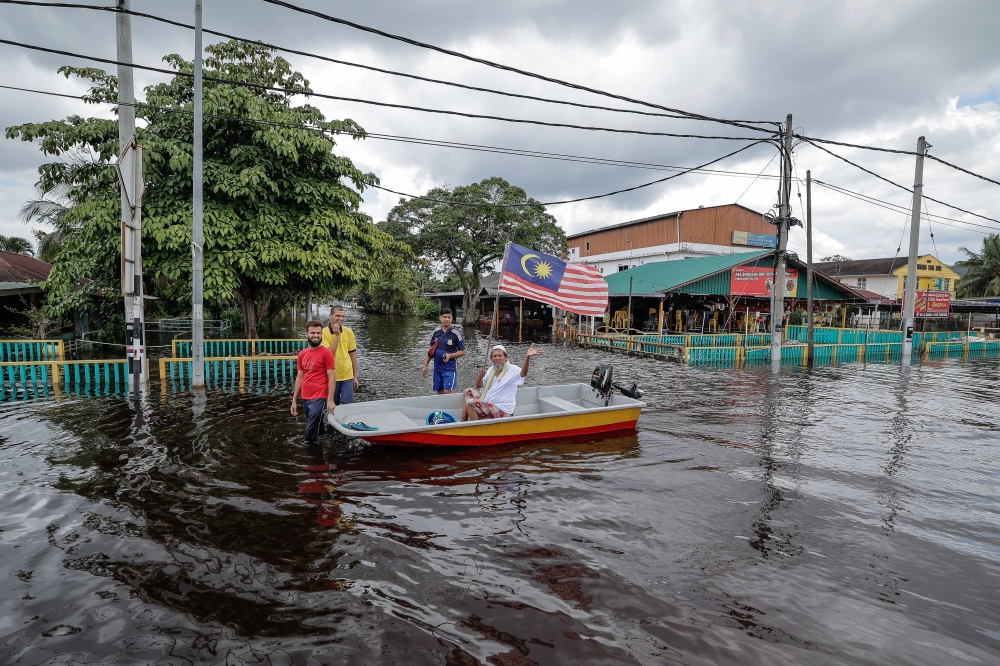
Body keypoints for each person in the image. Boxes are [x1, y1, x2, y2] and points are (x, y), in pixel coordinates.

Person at [462, 343, 542, 421]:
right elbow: (479, 386)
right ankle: (464, 422)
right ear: (491, 359)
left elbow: (523, 373)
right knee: (468, 391)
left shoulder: (512, 369)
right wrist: (480, 377)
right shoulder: (491, 369)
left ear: (506, 357)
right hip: (488, 401)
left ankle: (475, 428)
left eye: (500, 356)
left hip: (502, 410)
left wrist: (527, 357)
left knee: (470, 403)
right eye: (494, 356)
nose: (497, 358)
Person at [291, 320, 337, 445]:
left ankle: (310, 456)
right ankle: (327, 446)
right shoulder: (302, 354)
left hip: (320, 395)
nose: (316, 335)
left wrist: (330, 400)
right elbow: (299, 377)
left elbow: (332, 377)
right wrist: (294, 400)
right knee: (318, 427)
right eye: (312, 333)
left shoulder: (326, 353)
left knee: (310, 434)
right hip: (306, 396)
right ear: (306, 334)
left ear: (321, 334)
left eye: (318, 333)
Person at [422, 309, 466, 394]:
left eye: (449, 317)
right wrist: (425, 366)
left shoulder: (456, 333)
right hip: (437, 369)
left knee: (448, 392)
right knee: (440, 393)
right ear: (440, 318)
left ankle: (450, 407)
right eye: (444, 317)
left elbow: (463, 352)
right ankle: (442, 408)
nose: (447, 319)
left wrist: (450, 356)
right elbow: (430, 351)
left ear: (452, 318)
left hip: (450, 369)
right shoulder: (436, 332)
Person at [321, 305, 358, 406]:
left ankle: (348, 422)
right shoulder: (323, 332)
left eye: (343, 316)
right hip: (331, 375)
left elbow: (352, 354)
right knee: (332, 404)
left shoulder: (349, 332)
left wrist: (355, 376)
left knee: (349, 404)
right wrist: (337, 335)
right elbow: (329, 354)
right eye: (337, 316)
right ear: (331, 316)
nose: (341, 319)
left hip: (347, 375)